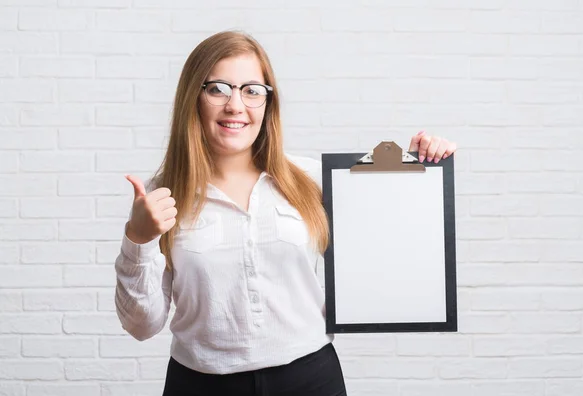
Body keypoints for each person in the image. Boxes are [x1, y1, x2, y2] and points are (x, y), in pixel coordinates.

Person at [114, 30, 457, 396]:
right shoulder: (162, 194)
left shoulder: (310, 179)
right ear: (193, 98)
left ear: (267, 102)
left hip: (310, 379)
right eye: (218, 88)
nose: (236, 105)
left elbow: (389, 234)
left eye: (252, 90)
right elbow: (142, 325)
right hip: (200, 385)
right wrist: (138, 239)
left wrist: (418, 165)